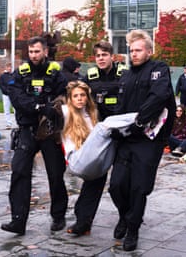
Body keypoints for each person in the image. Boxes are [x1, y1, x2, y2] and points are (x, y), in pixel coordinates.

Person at [108, 29, 176, 251]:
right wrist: (114, 126)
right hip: (127, 139)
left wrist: (139, 122)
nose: (133, 54)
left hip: (148, 139)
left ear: (149, 51)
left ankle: (133, 229)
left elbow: (158, 97)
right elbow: (119, 105)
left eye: (138, 50)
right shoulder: (126, 75)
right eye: (131, 51)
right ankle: (125, 216)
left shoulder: (159, 70)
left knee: (139, 187)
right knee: (116, 185)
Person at [0, 36, 68, 235]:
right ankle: (18, 221)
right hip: (27, 130)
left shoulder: (56, 73)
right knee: (20, 172)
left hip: (49, 131)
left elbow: (63, 95)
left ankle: (58, 215)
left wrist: (51, 108)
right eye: (30, 52)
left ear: (45, 51)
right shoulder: (21, 73)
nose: (34, 55)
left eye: (37, 51)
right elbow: (16, 96)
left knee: (56, 174)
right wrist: (38, 106)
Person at [66, 41, 125, 236]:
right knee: (94, 179)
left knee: (120, 183)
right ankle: (83, 221)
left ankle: (126, 219)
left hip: (124, 136)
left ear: (112, 57)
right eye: (98, 55)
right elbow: (76, 94)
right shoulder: (89, 78)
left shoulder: (124, 75)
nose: (101, 58)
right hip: (101, 137)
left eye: (104, 55)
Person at [0, 62, 14, 129]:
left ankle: (19, 123)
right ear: (6, 68)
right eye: (8, 67)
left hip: (13, 95)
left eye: (10, 67)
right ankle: (8, 123)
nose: (9, 68)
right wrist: (7, 92)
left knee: (16, 109)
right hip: (6, 95)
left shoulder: (13, 75)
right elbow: (1, 86)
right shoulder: (2, 76)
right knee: (6, 109)